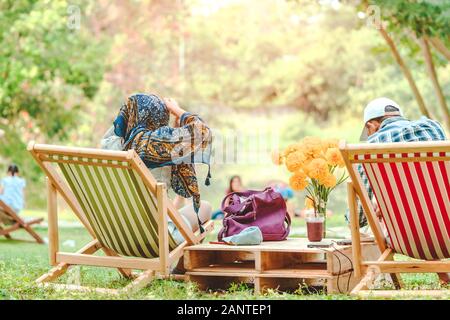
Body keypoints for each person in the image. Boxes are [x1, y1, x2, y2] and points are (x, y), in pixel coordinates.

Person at [353, 97, 448, 283]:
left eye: (368, 130)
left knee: (391, 212)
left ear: (371, 125)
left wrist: (383, 207)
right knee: (426, 204)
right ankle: (443, 273)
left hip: (408, 239)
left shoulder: (370, 150)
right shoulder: (434, 129)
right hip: (446, 227)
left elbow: (360, 216)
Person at [101, 94, 213, 246]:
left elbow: (122, 127)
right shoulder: (155, 145)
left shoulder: (108, 145)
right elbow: (202, 132)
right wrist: (176, 109)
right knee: (205, 207)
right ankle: (181, 265)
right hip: (158, 237)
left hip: (115, 234)